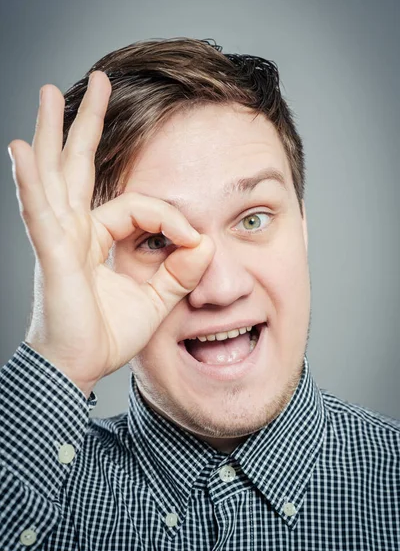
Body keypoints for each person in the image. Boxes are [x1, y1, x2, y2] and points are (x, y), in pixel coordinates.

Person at [0, 38, 398, 550]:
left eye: (253, 219)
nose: (220, 288)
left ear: (302, 228)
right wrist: (58, 361)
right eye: (157, 240)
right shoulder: (35, 492)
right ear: (99, 266)